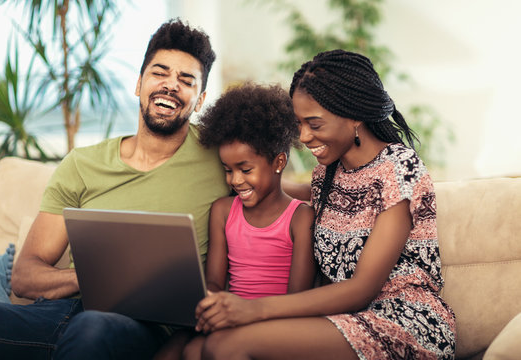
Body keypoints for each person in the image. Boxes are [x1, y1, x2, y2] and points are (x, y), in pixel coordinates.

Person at [0, 18, 225, 360]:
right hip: (60, 315)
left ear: (199, 101)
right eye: (160, 73)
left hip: (145, 328)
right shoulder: (82, 165)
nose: (170, 85)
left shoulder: (221, 157)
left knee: (91, 330)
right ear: (139, 83)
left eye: (186, 81)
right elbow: (25, 275)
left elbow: (278, 191)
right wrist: (100, 276)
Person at [193, 49, 457, 360]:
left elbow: (362, 289)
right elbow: (278, 188)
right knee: (200, 348)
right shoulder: (327, 175)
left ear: (354, 114)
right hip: (342, 321)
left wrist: (253, 309)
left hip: (403, 321)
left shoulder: (398, 170)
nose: (303, 136)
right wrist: (240, 179)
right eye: (299, 123)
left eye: (314, 124)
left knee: (227, 346)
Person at [176, 83, 316, 359]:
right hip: (229, 319)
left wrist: (241, 316)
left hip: (276, 324)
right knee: (184, 350)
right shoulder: (223, 211)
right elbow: (215, 283)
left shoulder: (301, 218)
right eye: (228, 170)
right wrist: (205, 302)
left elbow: (296, 300)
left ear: (278, 162)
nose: (235, 180)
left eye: (245, 169)